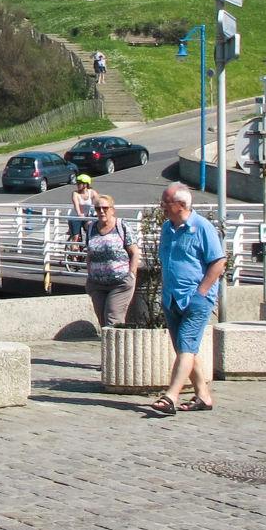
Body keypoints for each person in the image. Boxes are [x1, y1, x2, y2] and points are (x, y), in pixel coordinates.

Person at [147, 183, 224, 416]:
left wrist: (200, 293)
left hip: (196, 299)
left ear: (181, 205)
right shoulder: (167, 228)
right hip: (172, 297)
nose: (162, 207)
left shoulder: (202, 227)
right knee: (185, 349)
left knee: (187, 346)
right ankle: (203, 395)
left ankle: (171, 396)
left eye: (165, 203)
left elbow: (218, 262)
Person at [81, 196, 138, 327]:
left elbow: (134, 252)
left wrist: (132, 274)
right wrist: (90, 276)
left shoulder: (121, 226)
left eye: (105, 208)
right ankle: (106, 347)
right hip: (97, 284)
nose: (101, 211)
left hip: (120, 283)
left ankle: (117, 347)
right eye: (97, 208)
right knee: (102, 320)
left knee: (113, 317)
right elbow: (89, 254)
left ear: (112, 209)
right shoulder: (91, 228)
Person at [67, 175, 98, 247]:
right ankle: (73, 256)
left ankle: (87, 247)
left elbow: (98, 201)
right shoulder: (75, 193)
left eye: (79, 183)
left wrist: (98, 211)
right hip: (75, 217)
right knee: (76, 238)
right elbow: (76, 205)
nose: (77, 185)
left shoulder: (92, 192)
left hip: (86, 217)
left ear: (85, 184)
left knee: (91, 231)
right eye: (77, 183)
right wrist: (79, 213)